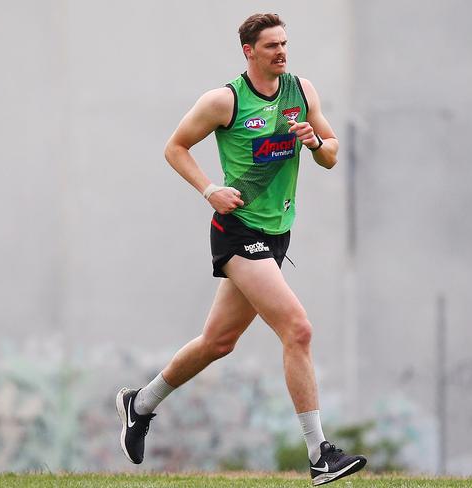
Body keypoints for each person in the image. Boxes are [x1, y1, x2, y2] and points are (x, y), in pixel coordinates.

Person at [116, 13, 366, 486]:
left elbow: (332, 152)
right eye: (271, 46)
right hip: (236, 231)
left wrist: (316, 144)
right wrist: (209, 188)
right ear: (249, 51)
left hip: (276, 235)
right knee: (298, 329)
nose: (281, 52)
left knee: (217, 343)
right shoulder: (223, 100)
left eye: (284, 43)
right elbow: (175, 148)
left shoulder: (301, 91)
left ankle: (140, 403)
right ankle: (319, 455)